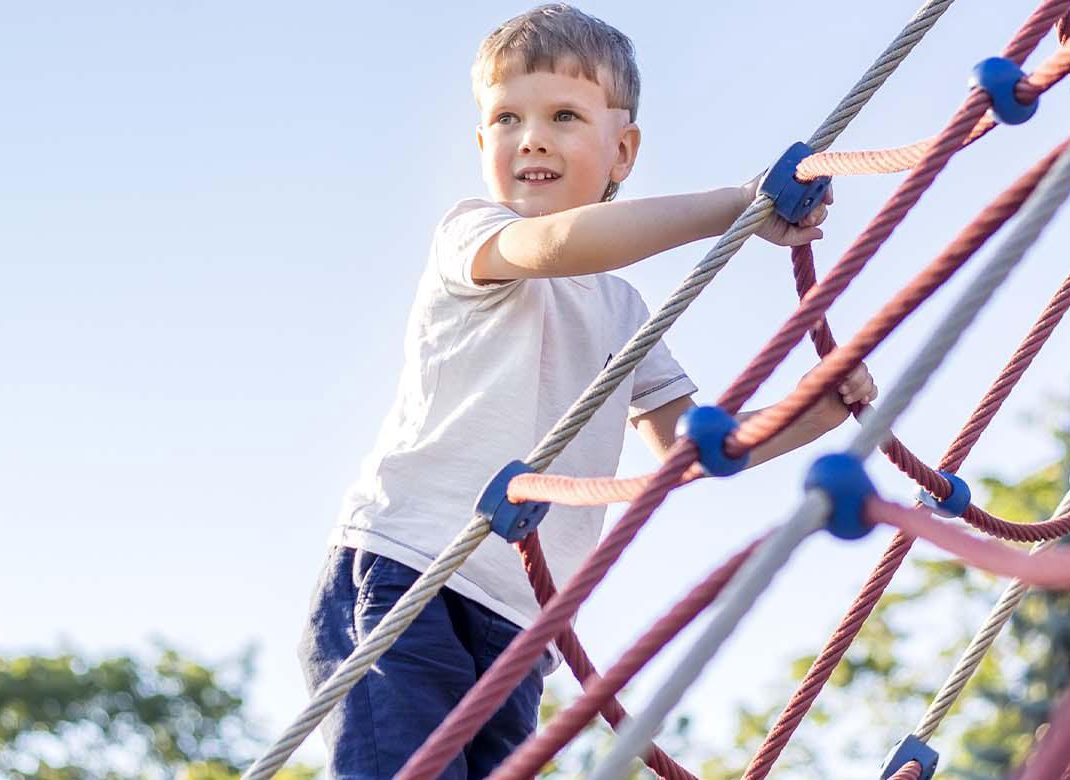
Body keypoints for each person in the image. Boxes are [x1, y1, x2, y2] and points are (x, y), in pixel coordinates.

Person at [299, 5, 875, 777]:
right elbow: (553, 247)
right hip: (403, 578)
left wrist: (818, 409)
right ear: (482, 146)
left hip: (519, 627)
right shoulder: (474, 236)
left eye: (563, 115)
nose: (530, 136)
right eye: (506, 118)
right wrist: (733, 206)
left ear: (622, 151)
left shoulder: (622, 309)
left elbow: (686, 445)